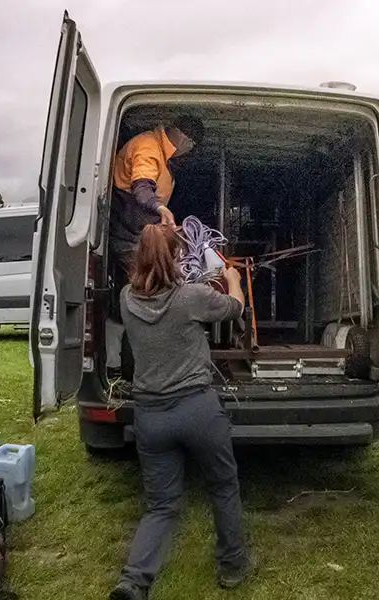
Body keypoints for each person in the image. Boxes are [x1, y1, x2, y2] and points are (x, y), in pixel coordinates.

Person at [109, 224, 256, 600]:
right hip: (197, 410)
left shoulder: (127, 298)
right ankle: (233, 566)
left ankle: (134, 581)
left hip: (151, 416)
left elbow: (154, 284)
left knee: (161, 504)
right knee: (223, 486)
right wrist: (232, 278)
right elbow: (235, 308)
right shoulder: (192, 296)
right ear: (177, 257)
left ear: (137, 259)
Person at [107, 116, 205, 384]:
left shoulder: (162, 153)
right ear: (184, 139)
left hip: (139, 233)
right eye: (191, 146)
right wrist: (161, 209)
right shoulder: (149, 147)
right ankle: (128, 367)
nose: (188, 152)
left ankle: (134, 362)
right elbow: (141, 187)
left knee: (148, 292)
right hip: (129, 234)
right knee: (149, 296)